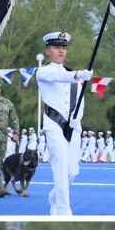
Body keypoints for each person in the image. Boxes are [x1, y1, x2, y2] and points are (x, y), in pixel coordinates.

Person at [36, 31, 92, 215]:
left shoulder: (74, 75)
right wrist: (78, 75)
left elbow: (80, 102)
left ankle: (55, 196)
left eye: (63, 47)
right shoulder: (43, 71)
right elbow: (57, 76)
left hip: (73, 128)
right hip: (54, 125)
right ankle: (63, 211)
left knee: (72, 172)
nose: (61, 51)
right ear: (47, 51)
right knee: (60, 168)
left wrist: (77, 120)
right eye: (56, 47)